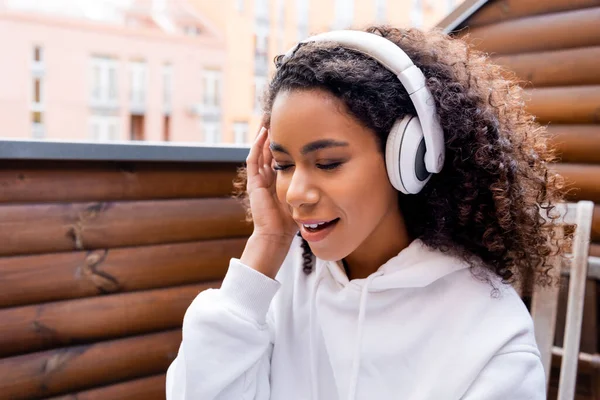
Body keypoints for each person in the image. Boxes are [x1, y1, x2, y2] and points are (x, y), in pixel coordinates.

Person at [166, 26, 566, 400]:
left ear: (410, 160)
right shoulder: (283, 281)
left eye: (327, 163)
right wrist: (266, 246)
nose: (296, 194)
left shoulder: (489, 336)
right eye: (284, 165)